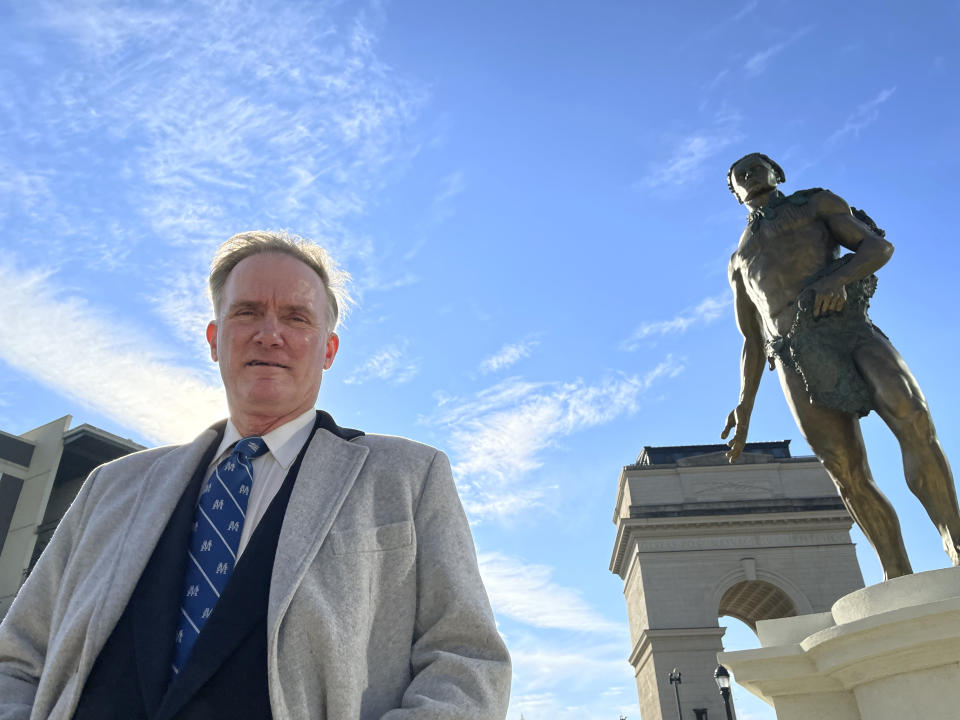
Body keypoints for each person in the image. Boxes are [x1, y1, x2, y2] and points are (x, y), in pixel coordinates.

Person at [0, 231, 511, 719]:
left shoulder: (409, 477)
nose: (270, 334)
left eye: (296, 317)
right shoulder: (109, 488)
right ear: (215, 338)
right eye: (247, 312)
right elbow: (16, 659)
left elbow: (467, 661)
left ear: (328, 350)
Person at [721, 153, 960, 581]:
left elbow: (877, 246)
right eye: (740, 175)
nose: (749, 175)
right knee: (845, 472)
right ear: (734, 193)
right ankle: (896, 575)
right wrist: (744, 407)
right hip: (793, 353)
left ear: (777, 174)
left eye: (758, 167)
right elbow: (751, 340)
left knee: (914, 418)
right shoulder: (739, 260)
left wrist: (838, 279)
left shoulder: (816, 203)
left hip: (849, 329)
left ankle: (955, 540)